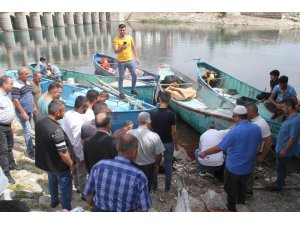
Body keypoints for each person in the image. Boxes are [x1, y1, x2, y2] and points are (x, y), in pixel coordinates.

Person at [199, 105, 262, 212]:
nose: (233, 118)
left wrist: (205, 152)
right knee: (242, 186)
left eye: (233, 116)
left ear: (237, 117)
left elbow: (220, 147)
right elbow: (258, 146)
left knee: (230, 188)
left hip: (234, 168)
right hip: (248, 167)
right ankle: (241, 204)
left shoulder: (234, 131)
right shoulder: (256, 128)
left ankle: (232, 208)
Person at [84, 134, 152, 212]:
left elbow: (88, 195)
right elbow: (144, 207)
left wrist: (95, 206)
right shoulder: (139, 176)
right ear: (135, 152)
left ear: (117, 147)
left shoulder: (99, 166)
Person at [35, 100, 76, 210]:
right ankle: (66, 208)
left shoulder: (39, 121)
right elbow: (63, 152)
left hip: (48, 161)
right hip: (59, 165)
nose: (65, 112)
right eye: (63, 111)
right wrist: (71, 164)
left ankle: (54, 201)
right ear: (57, 113)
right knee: (65, 187)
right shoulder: (56, 129)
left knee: (52, 181)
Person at [266, 98, 300, 191]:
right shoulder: (290, 117)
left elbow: (293, 138)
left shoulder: (295, 121)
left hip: (283, 150)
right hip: (280, 147)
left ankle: (278, 186)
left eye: (284, 107)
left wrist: (284, 150)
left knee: (280, 167)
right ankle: (281, 180)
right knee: (281, 166)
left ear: (289, 107)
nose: (282, 109)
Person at [127, 112, 165, 191]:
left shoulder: (129, 133)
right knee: (146, 187)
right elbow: (159, 154)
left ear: (138, 121)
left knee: (132, 186)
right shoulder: (155, 136)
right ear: (149, 122)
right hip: (148, 166)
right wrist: (157, 165)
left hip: (133, 164)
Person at [149, 91, 179, 192]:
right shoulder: (172, 114)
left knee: (155, 164)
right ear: (169, 101)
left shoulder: (152, 112)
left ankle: (154, 186)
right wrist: (176, 144)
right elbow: (173, 133)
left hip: (155, 142)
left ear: (159, 99)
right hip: (168, 143)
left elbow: (150, 129)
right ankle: (167, 188)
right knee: (168, 165)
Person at [63, 96, 88, 200]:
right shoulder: (77, 121)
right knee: (82, 172)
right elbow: (78, 141)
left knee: (75, 169)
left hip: (70, 144)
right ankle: (83, 194)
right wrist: (81, 155)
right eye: (86, 107)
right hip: (77, 148)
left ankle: (77, 186)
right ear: (81, 107)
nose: (87, 109)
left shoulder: (68, 113)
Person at [246, 103, 272, 195]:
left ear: (251, 112)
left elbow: (268, 142)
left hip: (255, 152)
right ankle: (246, 188)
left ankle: (248, 190)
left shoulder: (261, 124)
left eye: (246, 112)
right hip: (249, 151)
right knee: (247, 170)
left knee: (249, 171)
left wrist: (262, 156)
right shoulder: (252, 120)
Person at [11, 67, 37, 159]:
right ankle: (30, 152)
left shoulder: (27, 82)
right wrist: (23, 112)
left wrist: (34, 106)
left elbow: (30, 96)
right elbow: (15, 100)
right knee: (27, 131)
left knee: (29, 130)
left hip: (30, 110)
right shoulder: (16, 85)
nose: (28, 75)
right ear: (20, 75)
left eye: (28, 73)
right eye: (26, 74)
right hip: (23, 112)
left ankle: (31, 146)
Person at [113, 23, 139, 99]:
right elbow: (115, 51)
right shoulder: (116, 39)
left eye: (123, 30)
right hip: (121, 62)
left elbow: (134, 48)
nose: (122, 31)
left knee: (134, 75)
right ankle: (121, 92)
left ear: (125, 30)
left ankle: (133, 89)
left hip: (130, 60)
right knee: (121, 77)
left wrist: (137, 58)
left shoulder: (129, 38)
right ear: (119, 30)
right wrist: (122, 48)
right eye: (121, 30)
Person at [0, 76, 17, 184]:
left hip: (7, 126)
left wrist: (10, 123)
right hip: (1, 127)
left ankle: (11, 164)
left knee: (10, 146)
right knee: (3, 151)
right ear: (4, 84)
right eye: (11, 83)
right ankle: (6, 174)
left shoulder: (6, 95)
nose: (12, 85)